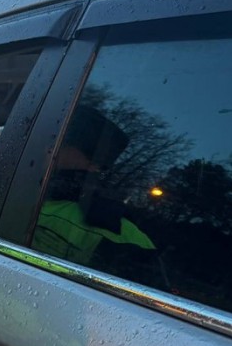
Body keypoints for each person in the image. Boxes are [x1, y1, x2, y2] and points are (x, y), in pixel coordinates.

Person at [32, 105, 156, 269]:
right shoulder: (132, 235)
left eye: (63, 142)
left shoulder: (28, 199)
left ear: (94, 165)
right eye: (52, 140)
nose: (50, 148)